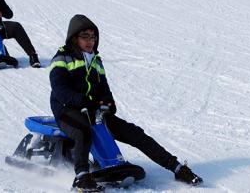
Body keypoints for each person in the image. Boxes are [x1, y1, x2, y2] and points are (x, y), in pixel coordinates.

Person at [49, 14, 203, 192]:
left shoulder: (95, 60)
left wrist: (108, 102)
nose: (90, 41)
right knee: (84, 132)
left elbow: (104, 88)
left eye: (93, 36)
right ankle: (81, 178)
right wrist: (83, 101)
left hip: (91, 110)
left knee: (134, 133)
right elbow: (60, 90)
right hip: (67, 110)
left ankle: (176, 168)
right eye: (85, 36)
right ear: (74, 38)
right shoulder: (62, 58)